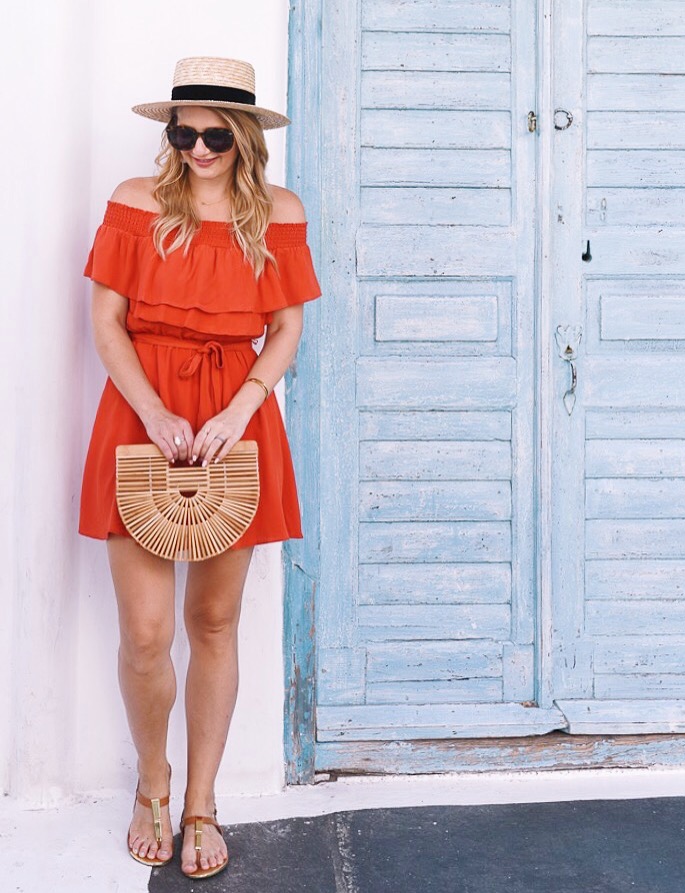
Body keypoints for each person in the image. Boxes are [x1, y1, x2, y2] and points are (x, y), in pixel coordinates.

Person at [79, 56, 321, 880]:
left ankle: (202, 802)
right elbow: (106, 322)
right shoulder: (136, 201)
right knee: (145, 633)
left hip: (235, 419)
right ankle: (153, 784)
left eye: (217, 134)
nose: (198, 148)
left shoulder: (278, 212)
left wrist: (238, 406)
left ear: (244, 136)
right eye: (183, 133)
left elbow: (285, 329)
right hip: (140, 410)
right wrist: (151, 410)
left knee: (213, 623)